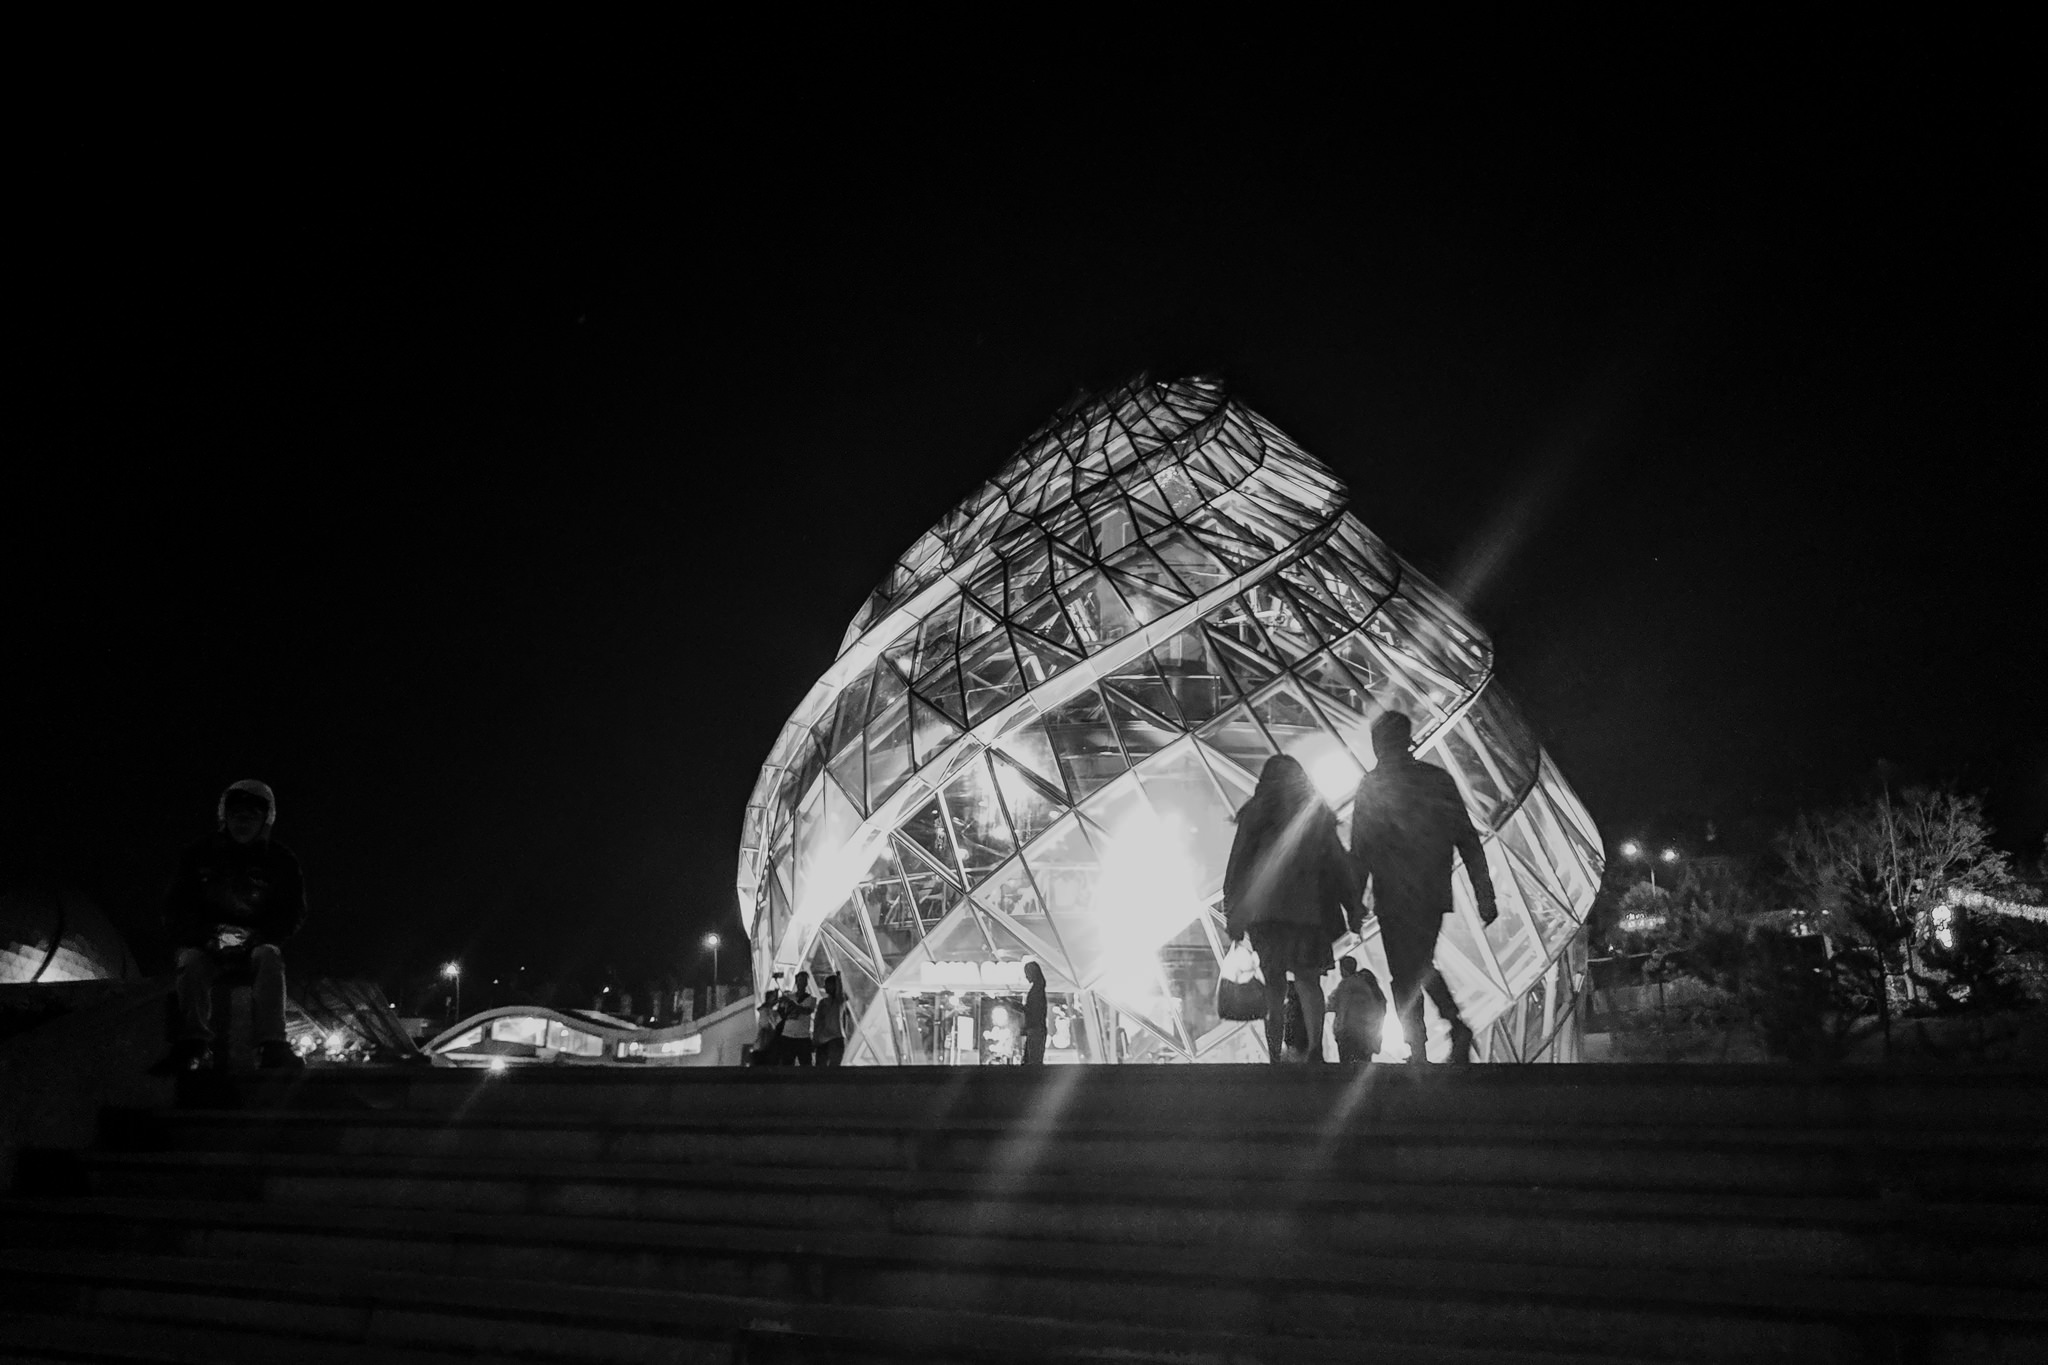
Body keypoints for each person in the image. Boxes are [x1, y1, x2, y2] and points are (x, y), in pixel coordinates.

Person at [1349, 712, 1497, 1064]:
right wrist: (1484, 894)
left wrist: (1354, 903)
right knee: (1417, 965)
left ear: (1378, 744)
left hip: (1392, 894)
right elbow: (1467, 838)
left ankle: (1423, 1044)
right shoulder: (1436, 779)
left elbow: (1360, 850)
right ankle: (1446, 1030)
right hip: (1431, 891)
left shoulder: (1373, 785)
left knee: (1406, 970)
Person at [158, 780, 308, 1071]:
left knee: (269, 958)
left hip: (256, 944)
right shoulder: (197, 854)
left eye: (251, 816)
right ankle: (192, 1042)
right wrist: (207, 936)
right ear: (224, 817)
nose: (243, 822)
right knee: (190, 962)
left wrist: (257, 937)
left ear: (265, 820)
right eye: (237, 814)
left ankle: (273, 1044)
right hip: (206, 944)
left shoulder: (281, 860)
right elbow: (175, 907)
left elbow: (292, 911)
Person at [1224, 753, 1361, 1064]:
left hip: (1266, 915)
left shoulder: (1255, 816)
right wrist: (1352, 906)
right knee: (1308, 982)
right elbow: (1338, 864)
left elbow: (1238, 866)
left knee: (1273, 986)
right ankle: (1315, 1050)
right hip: (1308, 912)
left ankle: (1274, 1053)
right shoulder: (1315, 817)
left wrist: (1234, 911)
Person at [1329, 956, 1389, 1063]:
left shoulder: (1345, 985)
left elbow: (1333, 1003)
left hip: (1347, 1032)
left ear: (1343, 968)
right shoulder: (1369, 985)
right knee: (1364, 1064)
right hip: (1367, 1034)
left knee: (1346, 1065)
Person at [778, 971, 817, 1066]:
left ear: (806, 983)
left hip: (803, 1036)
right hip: (788, 1035)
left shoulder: (811, 999)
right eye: (800, 980)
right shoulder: (789, 997)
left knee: (806, 1064)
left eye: (804, 980)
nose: (801, 983)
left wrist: (791, 1004)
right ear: (796, 981)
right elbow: (781, 1013)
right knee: (787, 1064)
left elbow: (807, 1011)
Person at [812, 974, 852, 1066]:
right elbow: (817, 1021)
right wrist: (815, 1037)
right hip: (823, 1038)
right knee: (822, 1065)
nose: (825, 987)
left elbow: (839, 994)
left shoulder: (839, 1001)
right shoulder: (823, 1002)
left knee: (833, 1065)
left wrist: (839, 975)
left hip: (835, 1038)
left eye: (828, 984)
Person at [1021, 961, 1048, 1065]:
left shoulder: (1036, 990)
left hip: (1035, 1029)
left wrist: (1019, 1007)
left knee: (1033, 1061)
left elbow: (1033, 1011)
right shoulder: (1038, 989)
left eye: (1027, 973)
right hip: (1036, 1029)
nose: (1026, 976)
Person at [751, 982, 785, 1066]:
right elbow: (769, 1025)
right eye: (774, 997)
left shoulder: (771, 1012)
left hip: (768, 1047)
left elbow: (779, 1022)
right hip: (764, 1048)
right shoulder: (765, 1011)